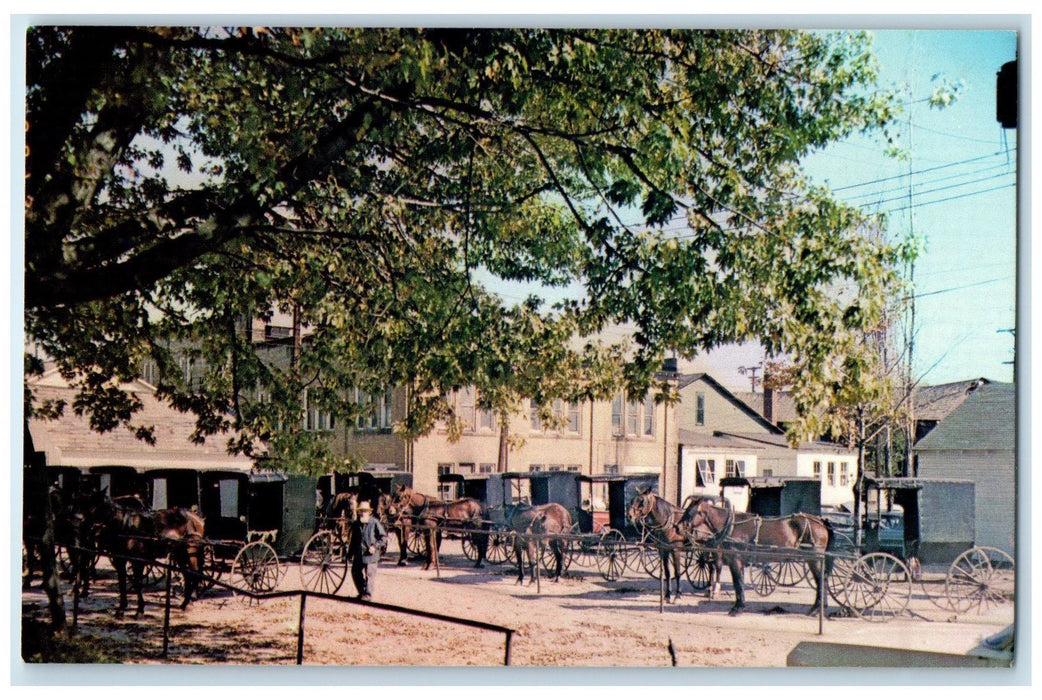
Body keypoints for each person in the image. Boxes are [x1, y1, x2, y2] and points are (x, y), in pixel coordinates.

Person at [348, 500, 387, 600]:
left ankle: (368, 596)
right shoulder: (356, 524)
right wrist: (349, 554)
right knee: (355, 573)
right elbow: (353, 540)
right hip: (359, 554)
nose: (363, 513)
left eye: (365, 511)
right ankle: (362, 592)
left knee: (370, 576)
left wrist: (375, 546)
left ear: (369, 512)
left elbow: (383, 537)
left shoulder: (374, 522)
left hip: (371, 555)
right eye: (361, 511)